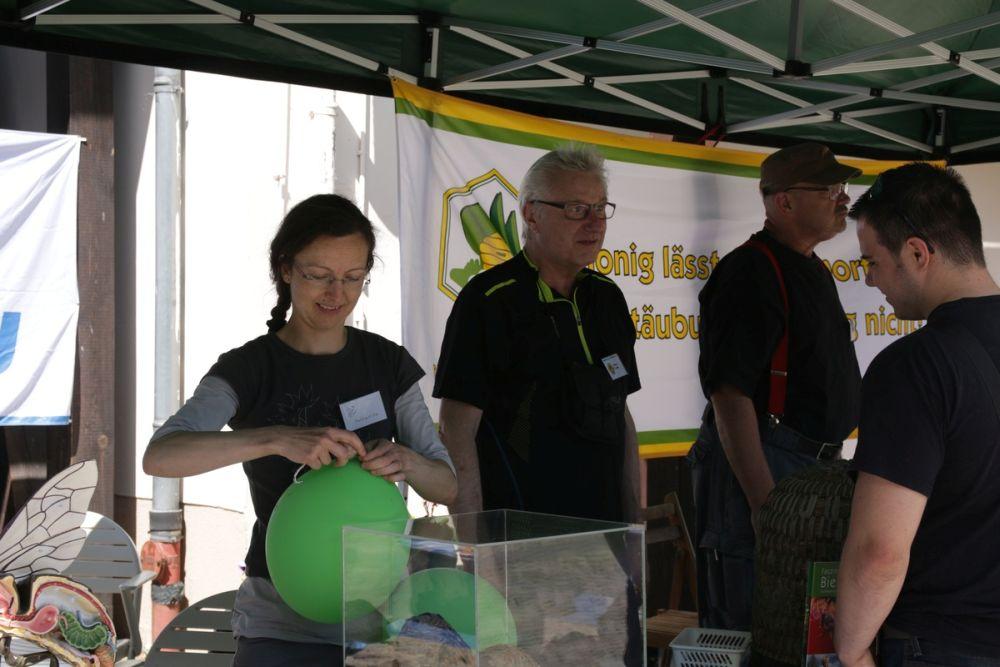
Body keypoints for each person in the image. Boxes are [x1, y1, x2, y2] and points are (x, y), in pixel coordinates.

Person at [143, 194, 457, 667]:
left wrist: (407, 461)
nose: (337, 293)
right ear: (286, 269)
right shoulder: (250, 368)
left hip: (381, 616)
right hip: (279, 620)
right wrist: (275, 438)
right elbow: (161, 455)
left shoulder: (387, 363)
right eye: (319, 276)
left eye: (353, 278)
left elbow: (448, 483)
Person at [689, 142, 862, 630]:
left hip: (811, 467)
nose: (843, 199)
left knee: (798, 629)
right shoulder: (750, 272)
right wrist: (764, 504)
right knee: (752, 623)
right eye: (829, 189)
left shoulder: (810, 267)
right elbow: (729, 395)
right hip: (768, 463)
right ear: (783, 201)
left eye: (842, 188)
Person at [836, 164, 1000, 667]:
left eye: (872, 262)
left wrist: (851, 649)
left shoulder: (915, 366)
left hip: (943, 641)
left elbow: (880, 552)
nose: (869, 279)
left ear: (916, 252)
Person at [433, 145, 641, 524]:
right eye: (577, 209)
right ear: (532, 214)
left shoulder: (607, 297)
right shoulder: (489, 300)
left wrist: (634, 525)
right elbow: (457, 431)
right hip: (522, 539)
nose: (595, 223)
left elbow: (622, 417)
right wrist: (474, 543)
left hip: (605, 536)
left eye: (601, 208)